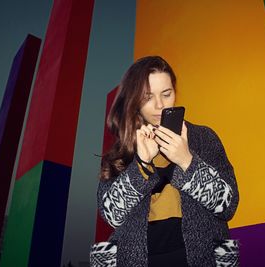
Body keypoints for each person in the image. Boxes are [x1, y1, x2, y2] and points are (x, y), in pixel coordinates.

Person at [90, 56, 239, 267]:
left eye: (166, 94)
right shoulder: (121, 149)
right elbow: (111, 216)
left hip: (203, 257)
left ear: (175, 92)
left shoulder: (204, 137)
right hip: (137, 260)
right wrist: (141, 164)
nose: (159, 105)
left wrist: (187, 161)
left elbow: (228, 206)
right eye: (147, 97)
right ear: (134, 100)